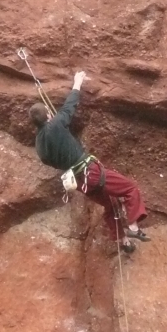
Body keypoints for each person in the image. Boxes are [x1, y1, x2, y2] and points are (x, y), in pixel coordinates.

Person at [29, 71, 150, 253]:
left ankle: (123, 241)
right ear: (47, 115)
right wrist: (77, 82)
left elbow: (50, 159)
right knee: (130, 189)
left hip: (79, 183)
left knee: (111, 204)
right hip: (90, 172)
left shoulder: (39, 145)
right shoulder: (55, 125)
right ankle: (133, 228)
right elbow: (69, 107)